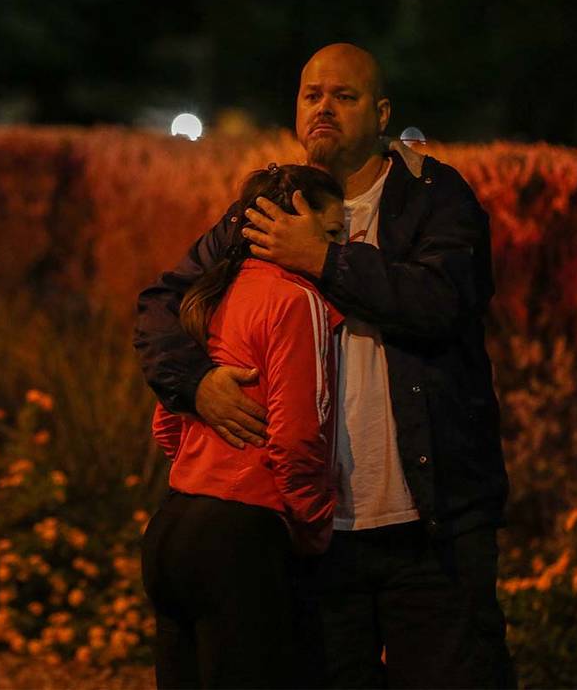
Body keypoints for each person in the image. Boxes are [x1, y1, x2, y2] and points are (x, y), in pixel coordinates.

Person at [134, 43, 515, 689]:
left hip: (429, 522)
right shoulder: (269, 208)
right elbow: (161, 307)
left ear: (382, 113)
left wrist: (323, 258)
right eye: (312, 95)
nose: (324, 108)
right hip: (313, 532)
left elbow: (442, 302)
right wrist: (196, 384)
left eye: (344, 96)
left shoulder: (434, 196)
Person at [140, 164, 347, 689]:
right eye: (331, 233)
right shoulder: (298, 300)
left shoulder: (211, 293)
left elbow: (167, 424)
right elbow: (299, 436)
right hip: (240, 535)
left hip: (173, 526)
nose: (338, 250)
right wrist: (314, 525)